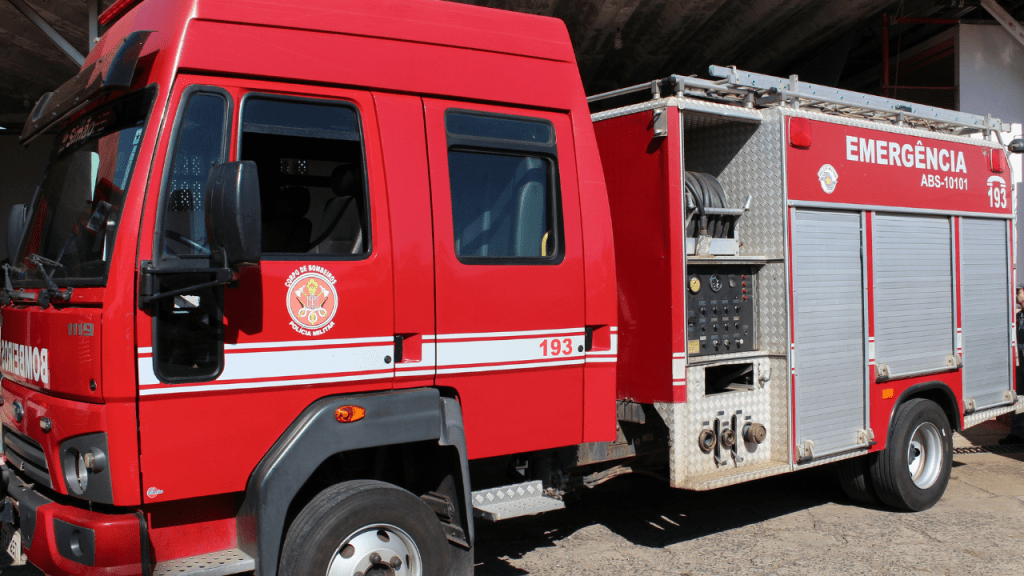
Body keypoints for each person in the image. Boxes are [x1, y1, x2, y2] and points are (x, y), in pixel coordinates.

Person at [1001, 286, 1024, 444]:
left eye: (1019, 291)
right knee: (1020, 399)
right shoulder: (1020, 316)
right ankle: (1018, 433)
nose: (1017, 295)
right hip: (1021, 366)